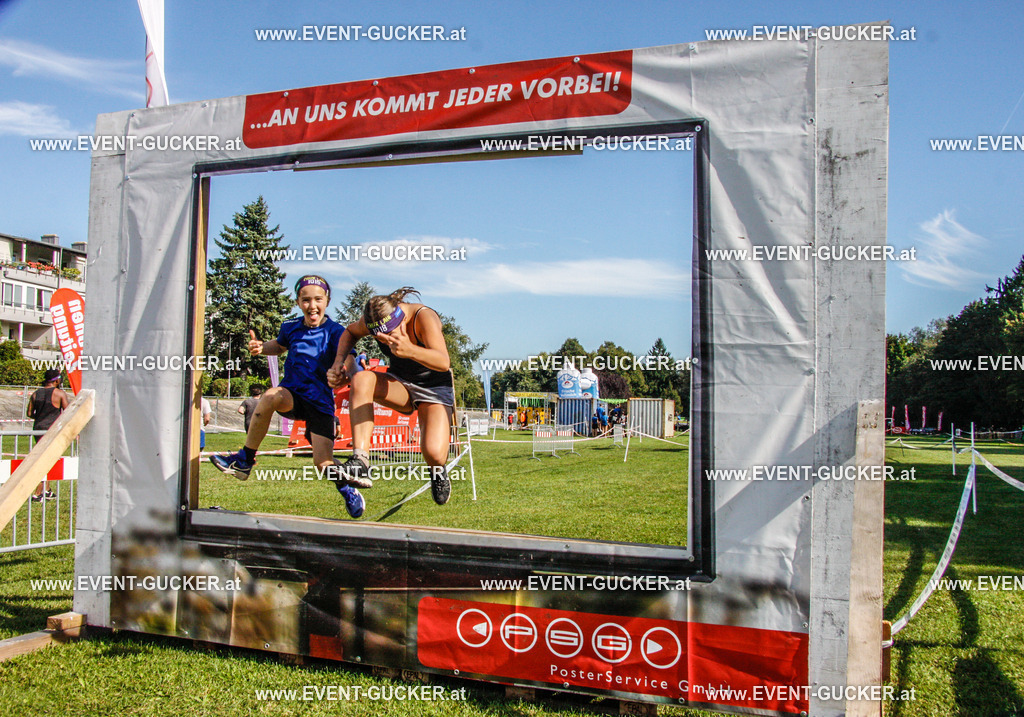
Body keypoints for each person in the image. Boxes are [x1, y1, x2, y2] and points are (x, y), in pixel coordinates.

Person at [210, 275, 368, 518]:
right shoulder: (290, 327)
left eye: (318, 299)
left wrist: (345, 371)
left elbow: (349, 360)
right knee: (271, 395)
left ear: (327, 300)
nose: (312, 306)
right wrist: (261, 348)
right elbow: (280, 345)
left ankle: (347, 489)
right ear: (298, 301)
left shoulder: (337, 332)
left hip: (320, 405)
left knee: (323, 464)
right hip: (292, 395)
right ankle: (245, 460)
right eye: (306, 300)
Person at [328, 287, 454, 505]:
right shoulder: (373, 324)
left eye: (391, 334)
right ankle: (360, 460)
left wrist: (410, 350)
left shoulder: (423, 317)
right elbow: (349, 332)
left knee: (433, 453)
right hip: (401, 384)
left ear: (400, 317)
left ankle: (437, 471)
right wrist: (340, 361)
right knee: (361, 379)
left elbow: (444, 362)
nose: (386, 342)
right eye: (381, 338)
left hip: (433, 388)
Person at [28, 368, 69, 501]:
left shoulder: (35, 394)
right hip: (52, 430)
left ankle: (47, 490)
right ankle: (37, 493)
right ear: (57, 380)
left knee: (45, 458)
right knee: (46, 461)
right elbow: (68, 411)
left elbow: (29, 414)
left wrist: (40, 417)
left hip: (38, 429)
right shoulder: (59, 394)